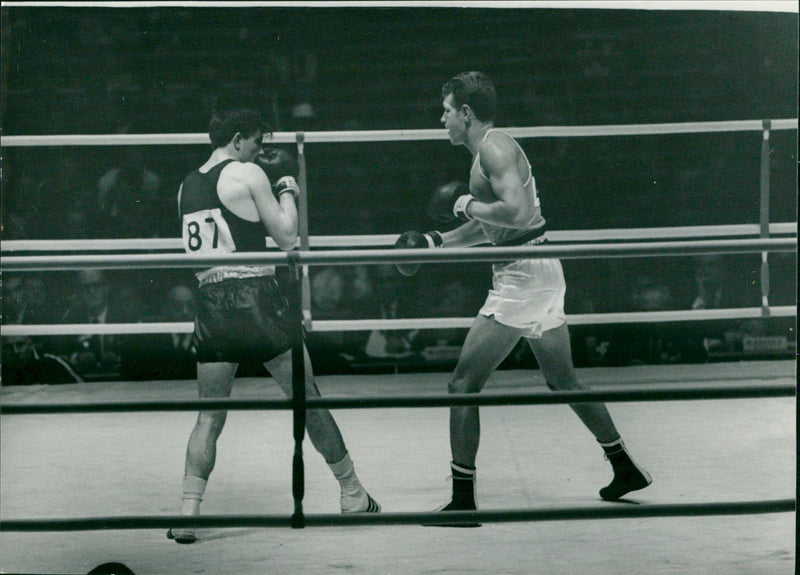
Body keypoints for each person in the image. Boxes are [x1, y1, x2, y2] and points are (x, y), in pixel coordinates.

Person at [394, 72, 651, 524]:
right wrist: (438, 240)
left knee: (462, 385)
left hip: (523, 277)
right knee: (562, 381)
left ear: (466, 113)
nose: (442, 119)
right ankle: (625, 468)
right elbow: (495, 225)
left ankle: (462, 502)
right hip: (538, 267)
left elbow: (515, 212)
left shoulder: (493, 149)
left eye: (448, 111)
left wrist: (464, 205)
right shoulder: (487, 154)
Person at [168, 108, 379, 545]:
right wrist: (286, 188)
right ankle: (352, 492)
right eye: (258, 143)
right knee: (307, 399)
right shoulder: (246, 173)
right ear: (239, 139)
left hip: (211, 301)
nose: (262, 151)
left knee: (209, 416)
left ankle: (188, 512)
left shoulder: (185, 185)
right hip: (255, 296)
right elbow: (286, 237)